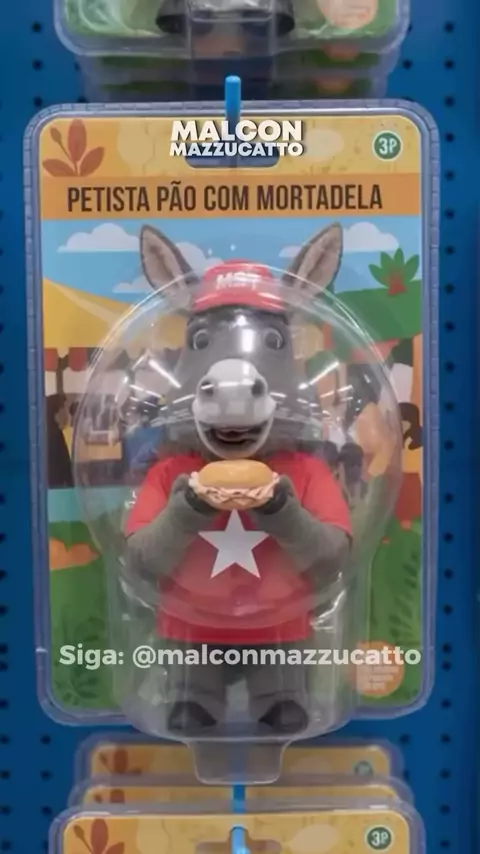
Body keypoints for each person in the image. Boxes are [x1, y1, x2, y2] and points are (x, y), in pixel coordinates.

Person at [46, 393, 73, 488]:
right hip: (56, 485)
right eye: (63, 408)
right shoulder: (55, 434)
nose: (67, 413)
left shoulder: (43, 431)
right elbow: (64, 462)